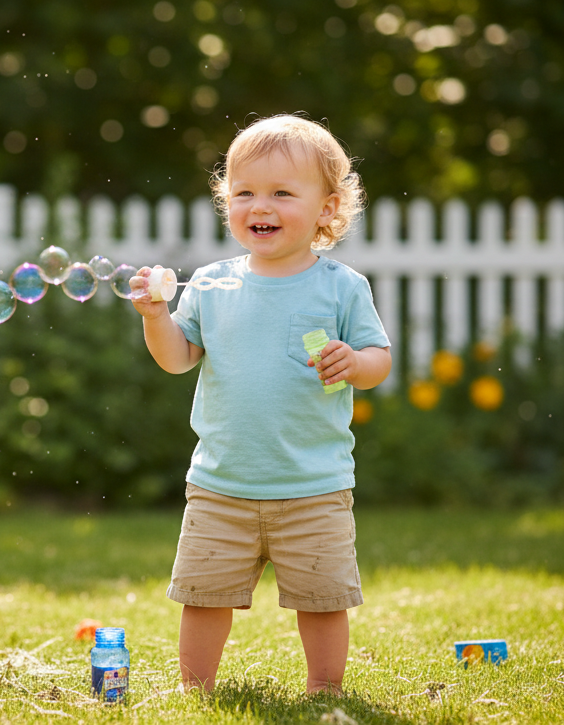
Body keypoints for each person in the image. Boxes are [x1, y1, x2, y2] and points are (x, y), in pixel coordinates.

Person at [129, 114, 392, 695]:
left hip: (314, 484)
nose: (259, 205)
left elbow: (379, 359)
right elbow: (177, 358)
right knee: (202, 595)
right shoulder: (210, 285)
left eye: (281, 192)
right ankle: (197, 690)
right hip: (221, 483)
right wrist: (155, 318)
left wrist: (356, 362)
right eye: (244, 192)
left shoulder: (342, 286)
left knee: (322, 599)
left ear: (328, 207)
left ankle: (325, 690)